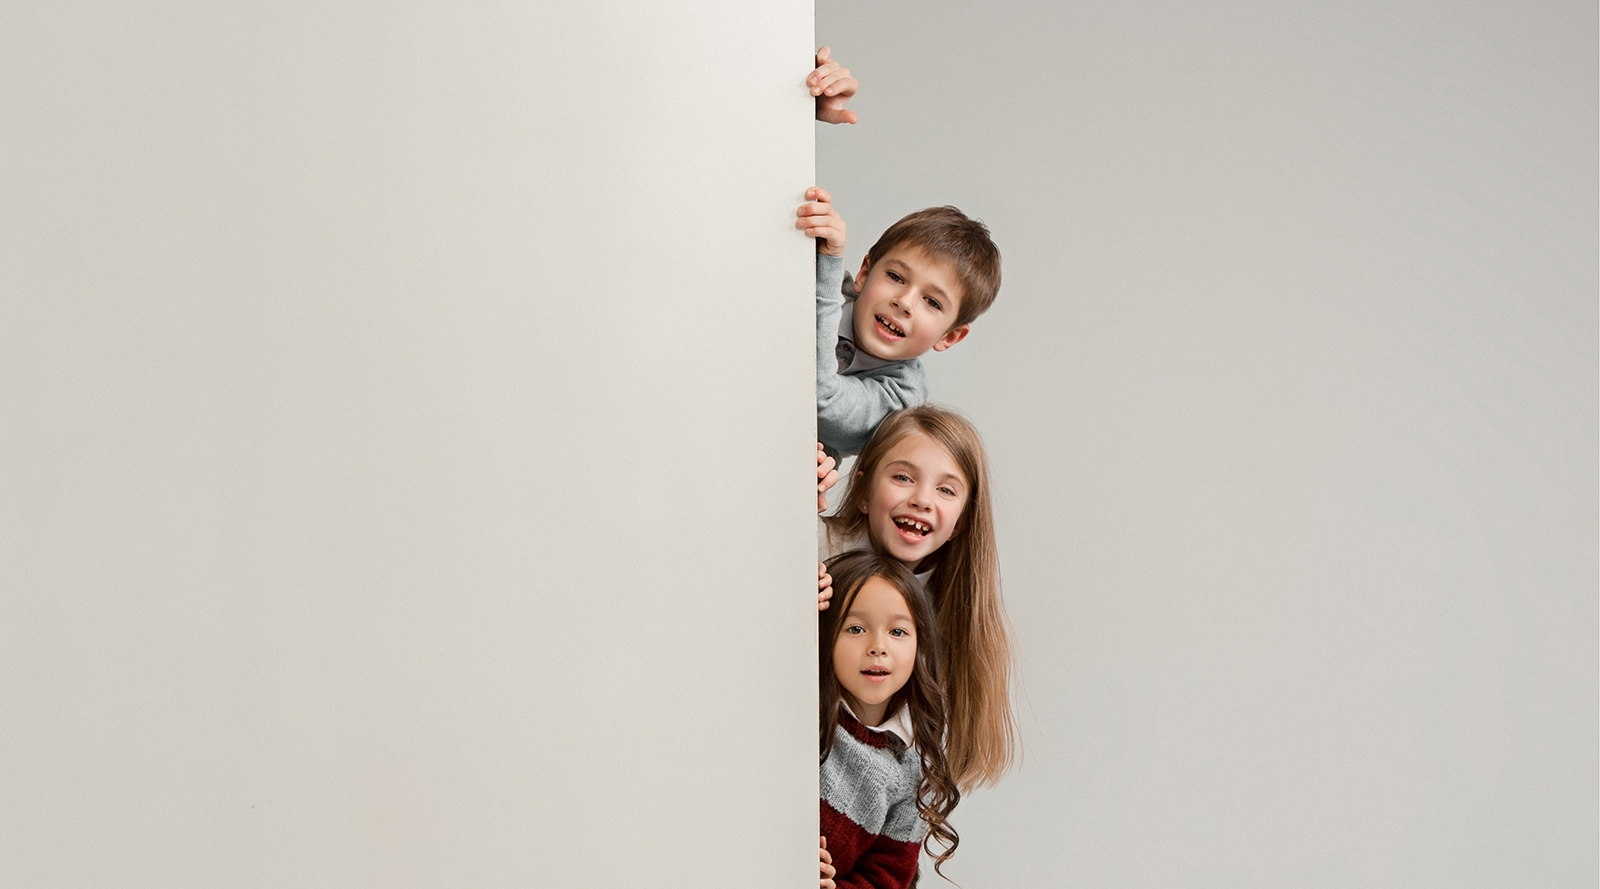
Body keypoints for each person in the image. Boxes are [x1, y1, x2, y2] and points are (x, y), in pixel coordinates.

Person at [817, 405, 1015, 793]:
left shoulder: (948, 613)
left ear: (961, 523)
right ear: (862, 491)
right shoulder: (814, 547)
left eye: (945, 489)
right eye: (904, 477)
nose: (922, 500)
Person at [797, 188, 1002, 463]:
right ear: (865, 272)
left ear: (950, 337)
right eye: (895, 276)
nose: (904, 302)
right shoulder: (820, 280)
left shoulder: (902, 398)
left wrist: (830, 265)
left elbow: (817, 397)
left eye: (932, 302)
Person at [817, 550, 959, 889]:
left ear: (919, 647)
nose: (878, 646)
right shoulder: (804, 715)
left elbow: (888, 877)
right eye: (855, 628)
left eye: (897, 632)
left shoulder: (910, 769)